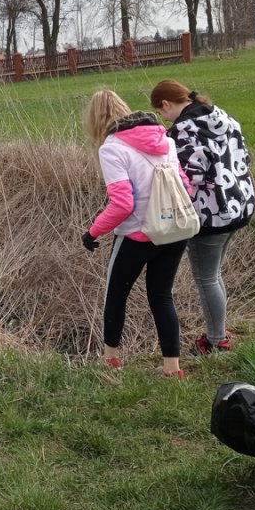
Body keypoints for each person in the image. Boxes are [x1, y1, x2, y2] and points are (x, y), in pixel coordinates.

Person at [81, 89, 192, 379]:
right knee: (161, 295)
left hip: (136, 235)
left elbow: (122, 204)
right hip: (173, 231)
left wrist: (93, 232)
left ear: (95, 119)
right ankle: (172, 367)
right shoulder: (164, 140)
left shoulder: (112, 148)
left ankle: (111, 360)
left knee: (115, 294)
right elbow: (184, 186)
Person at [149, 79, 255, 356]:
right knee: (213, 274)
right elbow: (245, 158)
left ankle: (216, 340)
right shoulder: (224, 118)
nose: (164, 118)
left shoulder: (184, 130)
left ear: (167, 104)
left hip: (209, 215)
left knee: (206, 277)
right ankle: (219, 330)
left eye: (162, 113)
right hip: (239, 204)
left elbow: (189, 175)